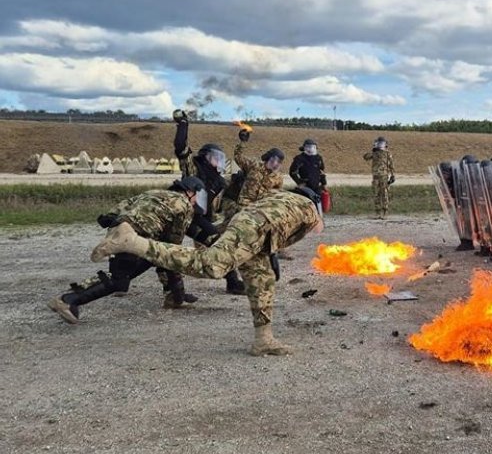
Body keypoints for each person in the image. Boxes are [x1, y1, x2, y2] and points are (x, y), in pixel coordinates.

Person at [90, 190, 323, 356]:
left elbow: (243, 215)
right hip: (258, 230)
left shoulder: (278, 195)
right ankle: (132, 243)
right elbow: (311, 228)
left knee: (262, 280)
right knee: (210, 265)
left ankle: (263, 340)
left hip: (253, 228)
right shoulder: (309, 208)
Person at [47, 177, 217, 324]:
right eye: (198, 196)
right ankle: (67, 300)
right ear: (189, 192)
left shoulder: (154, 193)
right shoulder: (184, 205)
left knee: (138, 265)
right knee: (121, 279)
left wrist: (112, 219)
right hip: (135, 236)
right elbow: (172, 248)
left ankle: (173, 296)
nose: (196, 202)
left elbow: (122, 205)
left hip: (120, 227)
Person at [172, 108, 245, 295]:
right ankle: (172, 290)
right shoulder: (194, 169)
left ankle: (233, 282)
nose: (218, 162)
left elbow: (220, 203)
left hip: (198, 220)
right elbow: (181, 147)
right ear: (206, 157)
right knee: (165, 250)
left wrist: (239, 181)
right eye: (215, 157)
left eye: (220, 158)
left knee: (219, 243)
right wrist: (183, 125)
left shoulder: (219, 181)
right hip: (179, 215)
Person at [232, 126, 285, 211]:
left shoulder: (278, 177)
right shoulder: (254, 165)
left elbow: (276, 194)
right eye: (273, 160)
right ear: (268, 158)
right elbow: (238, 157)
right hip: (244, 205)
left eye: (279, 162)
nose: (275, 164)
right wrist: (243, 142)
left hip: (260, 209)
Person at [363, 136, 395, 219]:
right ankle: (377, 212)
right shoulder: (374, 153)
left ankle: (385, 212)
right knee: (376, 194)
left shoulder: (388, 153)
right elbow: (365, 157)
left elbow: (391, 165)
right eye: (379, 143)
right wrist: (373, 151)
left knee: (384, 194)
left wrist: (392, 175)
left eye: (382, 143)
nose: (380, 145)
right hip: (375, 176)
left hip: (384, 176)